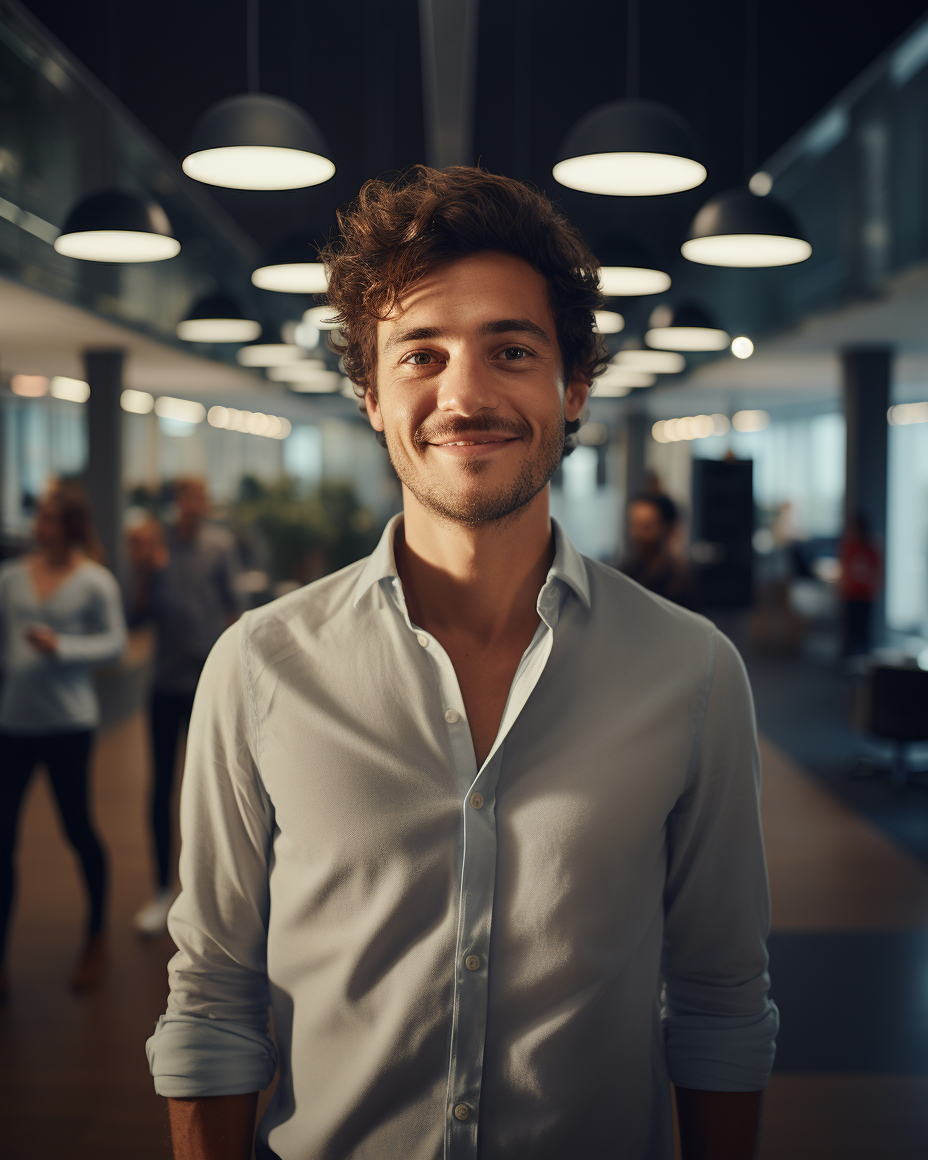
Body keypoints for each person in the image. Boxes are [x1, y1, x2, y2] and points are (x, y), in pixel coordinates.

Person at [147, 167, 777, 1160]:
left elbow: (717, 996)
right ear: (368, 395)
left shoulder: (692, 670)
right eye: (420, 354)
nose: (465, 393)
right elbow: (214, 997)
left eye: (511, 350)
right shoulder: (260, 666)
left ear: (573, 386)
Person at [0, 481, 127, 999]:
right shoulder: (9, 579)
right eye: (40, 517)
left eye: (50, 518)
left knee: (78, 830)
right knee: (2, 841)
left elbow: (115, 645)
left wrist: (63, 647)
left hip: (69, 725)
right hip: (13, 724)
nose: (39, 526)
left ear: (70, 526)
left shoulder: (94, 582)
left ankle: (95, 933)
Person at [128, 478, 241, 935]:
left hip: (207, 685)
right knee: (161, 788)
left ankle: (211, 895)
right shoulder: (155, 546)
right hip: (164, 685)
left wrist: (235, 675)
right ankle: (161, 889)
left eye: (199, 496)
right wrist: (143, 571)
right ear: (176, 502)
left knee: (211, 786)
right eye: (185, 497)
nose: (193, 504)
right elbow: (134, 617)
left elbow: (236, 611)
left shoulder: (219, 546)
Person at [620, 491, 694, 607]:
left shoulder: (682, 582)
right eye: (635, 525)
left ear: (668, 528)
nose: (637, 535)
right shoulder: (623, 576)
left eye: (647, 527)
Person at [839, 512, 882, 657]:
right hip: (851, 594)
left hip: (865, 596)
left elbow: (876, 572)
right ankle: (849, 658)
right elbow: (845, 570)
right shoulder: (850, 547)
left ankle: (864, 660)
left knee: (864, 630)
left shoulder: (871, 548)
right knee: (851, 629)